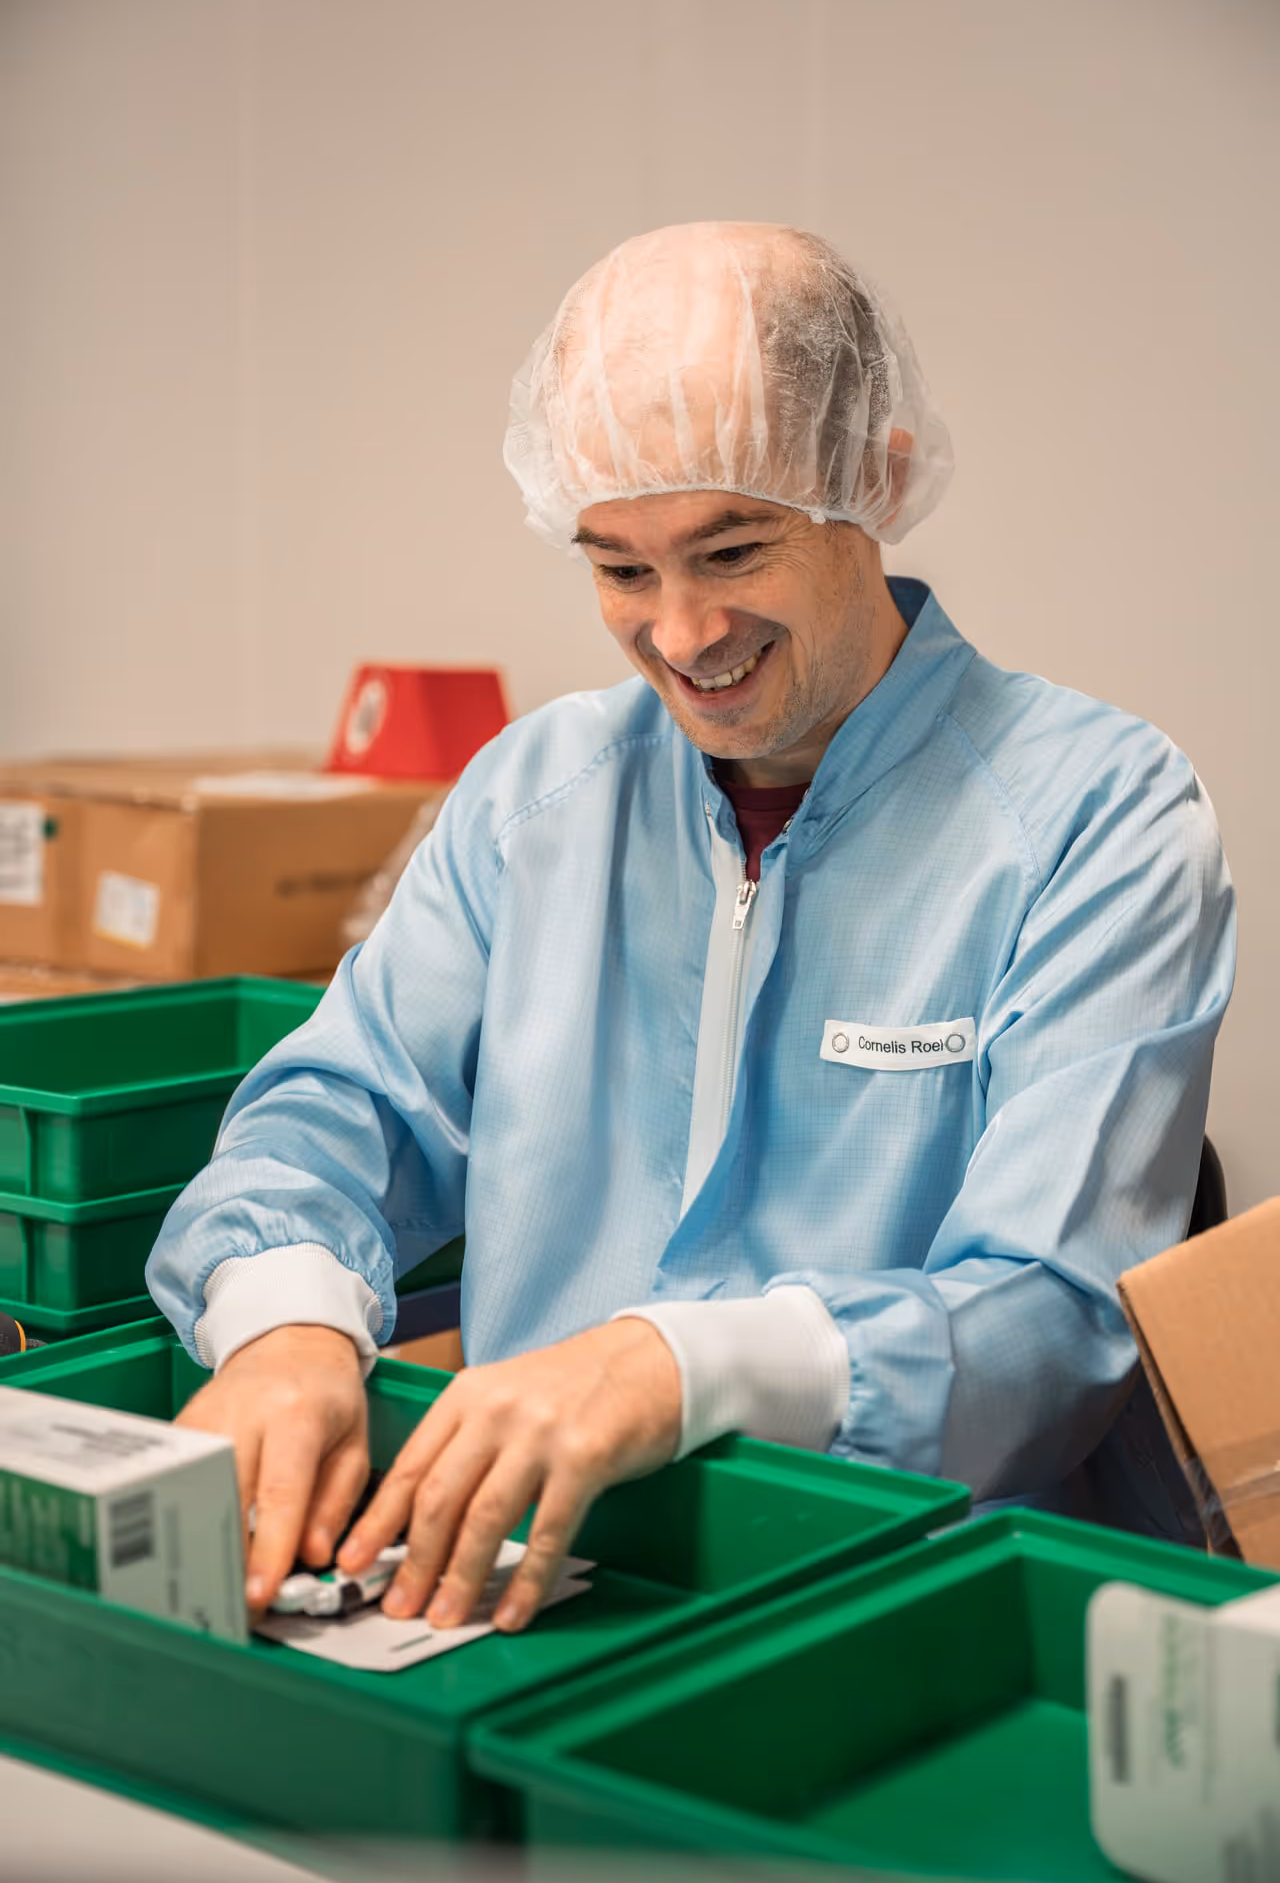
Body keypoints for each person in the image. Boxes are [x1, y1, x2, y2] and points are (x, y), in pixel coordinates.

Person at [148, 222, 1233, 1632]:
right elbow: (332, 1114)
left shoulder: (1099, 813)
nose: (681, 631)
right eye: (618, 568)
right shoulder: (537, 800)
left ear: (877, 482)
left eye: (732, 548)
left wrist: (677, 1369)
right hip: (543, 1591)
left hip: (917, 1610)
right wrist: (285, 1320)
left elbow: (1055, 1319)